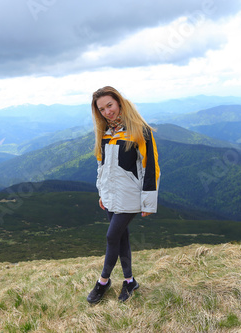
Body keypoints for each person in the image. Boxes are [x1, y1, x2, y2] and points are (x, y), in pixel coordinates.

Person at [87, 86, 160, 304]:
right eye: (102, 109)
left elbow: (151, 166)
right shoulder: (105, 133)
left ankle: (103, 282)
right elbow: (102, 166)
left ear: (119, 102)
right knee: (121, 237)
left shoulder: (139, 130)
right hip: (110, 197)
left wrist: (148, 202)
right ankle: (129, 281)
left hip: (130, 196)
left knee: (111, 237)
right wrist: (102, 192)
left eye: (109, 105)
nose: (107, 112)